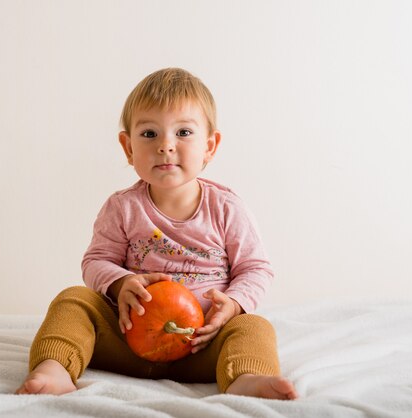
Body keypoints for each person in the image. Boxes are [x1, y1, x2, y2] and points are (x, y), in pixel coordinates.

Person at [16, 68, 298, 400]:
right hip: (129, 341)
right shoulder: (123, 208)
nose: (166, 146)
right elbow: (96, 261)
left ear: (210, 146)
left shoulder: (226, 208)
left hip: (202, 345)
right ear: (128, 147)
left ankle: (245, 378)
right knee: (74, 300)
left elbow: (256, 268)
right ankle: (55, 368)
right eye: (150, 134)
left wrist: (233, 305)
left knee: (254, 327)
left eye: (183, 132)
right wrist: (121, 283)